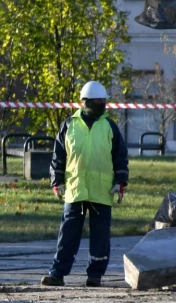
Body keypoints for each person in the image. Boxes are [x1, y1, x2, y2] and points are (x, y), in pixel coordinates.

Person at [43, 81, 129, 288]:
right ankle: (57, 274)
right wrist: (57, 181)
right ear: (86, 103)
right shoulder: (69, 125)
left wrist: (120, 182)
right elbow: (59, 156)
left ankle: (95, 275)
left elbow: (120, 156)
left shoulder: (110, 127)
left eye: (104, 101)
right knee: (68, 233)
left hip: (102, 190)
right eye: (98, 101)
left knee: (100, 236)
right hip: (76, 189)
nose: (103, 104)